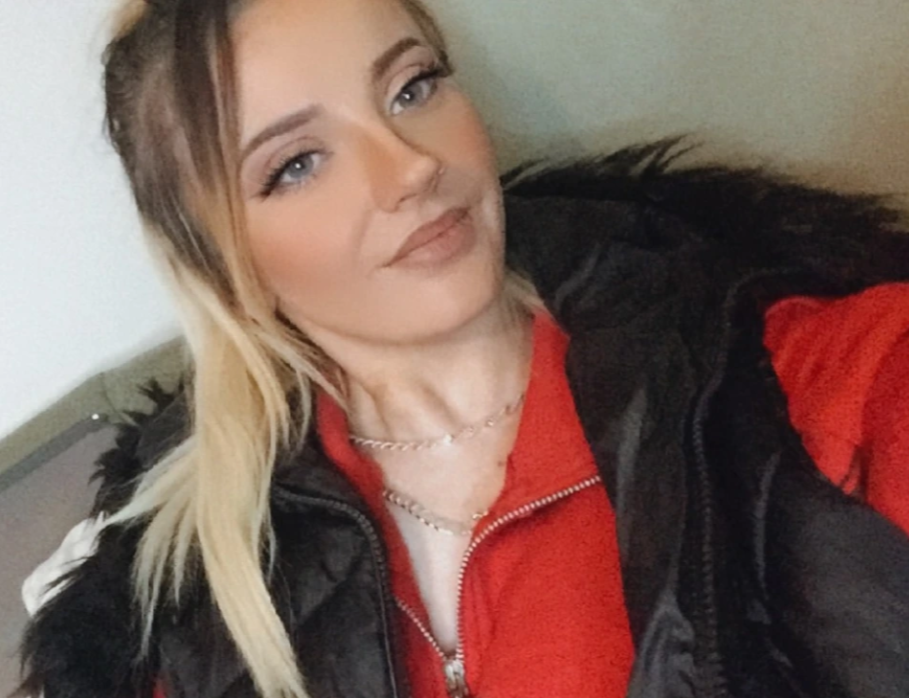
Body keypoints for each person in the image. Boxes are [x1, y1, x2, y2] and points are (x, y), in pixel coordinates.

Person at [16, 0, 909, 696]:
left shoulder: (775, 376)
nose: (410, 166)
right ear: (222, 262)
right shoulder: (183, 593)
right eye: (296, 164)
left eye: (411, 88)